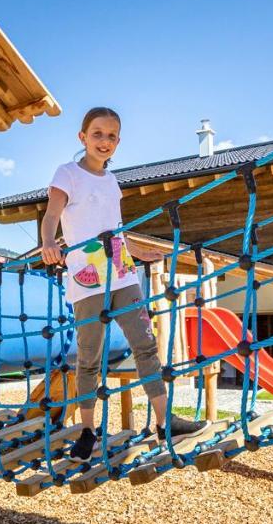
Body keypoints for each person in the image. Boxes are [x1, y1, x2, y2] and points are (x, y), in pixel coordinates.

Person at [40, 107, 207, 461]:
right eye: (97, 134)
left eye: (111, 136)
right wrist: (49, 240)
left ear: (118, 143)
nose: (104, 141)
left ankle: (164, 422)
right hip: (87, 274)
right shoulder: (67, 173)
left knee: (145, 344)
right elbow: (52, 214)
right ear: (82, 137)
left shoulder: (113, 182)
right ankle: (87, 431)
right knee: (89, 356)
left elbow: (114, 230)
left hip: (121, 267)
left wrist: (138, 252)